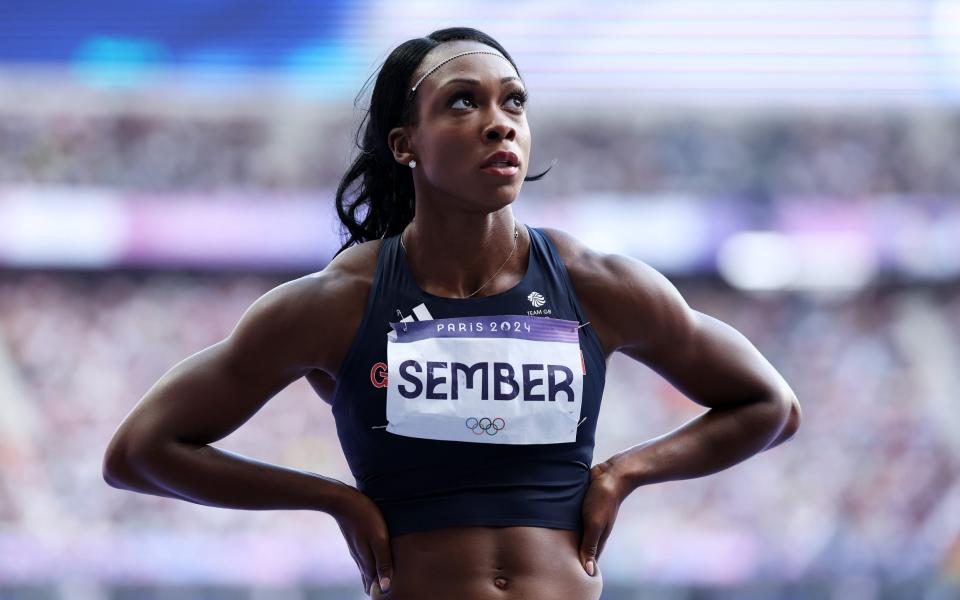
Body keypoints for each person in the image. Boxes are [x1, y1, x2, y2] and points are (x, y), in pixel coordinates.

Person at [102, 27, 802, 599]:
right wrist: (332, 499)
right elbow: (140, 453)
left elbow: (770, 405)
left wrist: (628, 472)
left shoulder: (594, 284)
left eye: (514, 103)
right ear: (406, 144)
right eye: (464, 103)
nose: (500, 123)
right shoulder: (338, 303)